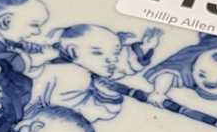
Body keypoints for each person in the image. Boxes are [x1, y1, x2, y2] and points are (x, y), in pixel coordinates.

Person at [29, 23, 160, 122]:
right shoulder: (72, 75)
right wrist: (109, 95)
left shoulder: (84, 67)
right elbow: (78, 117)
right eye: (97, 52)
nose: (112, 59)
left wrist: (143, 49)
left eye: (115, 52)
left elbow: (119, 66)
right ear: (73, 51)